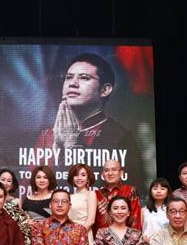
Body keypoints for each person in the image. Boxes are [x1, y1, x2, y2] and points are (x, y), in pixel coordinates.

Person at [34, 53, 143, 187]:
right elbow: (30, 184)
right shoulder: (48, 134)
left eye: (84, 78)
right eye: (68, 77)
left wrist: (71, 145)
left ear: (105, 90)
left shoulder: (120, 136)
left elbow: (131, 188)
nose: (73, 83)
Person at [95, 160, 142, 231]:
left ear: (121, 173)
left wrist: (133, 236)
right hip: (100, 236)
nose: (110, 173)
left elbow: (135, 219)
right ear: (102, 174)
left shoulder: (130, 191)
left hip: (125, 236)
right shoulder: (97, 194)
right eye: (106, 170)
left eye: (114, 170)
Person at [67, 164, 97, 245]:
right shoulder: (69, 197)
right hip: (68, 237)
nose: (79, 178)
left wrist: (76, 235)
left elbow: (91, 220)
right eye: (76, 175)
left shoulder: (91, 194)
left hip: (84, 236)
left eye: (83, 175)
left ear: (88, 178)